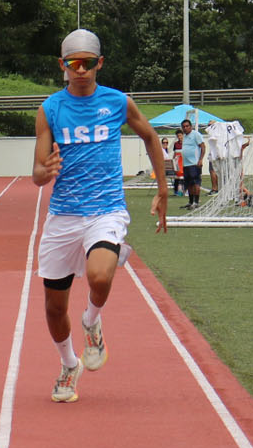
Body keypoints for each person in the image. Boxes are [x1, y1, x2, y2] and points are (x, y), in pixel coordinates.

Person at [32, 29, 167, 404]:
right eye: (73, 63)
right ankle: (69, 364)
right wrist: (45, 172)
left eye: (87, 63)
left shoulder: (119, 102)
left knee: (99, 274)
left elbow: (151, 138)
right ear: (62, 66)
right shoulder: (50, 109)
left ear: (99, 63)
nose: (80, 70)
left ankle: (92, 320)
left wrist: (162, 187)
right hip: (63, 216)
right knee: (54, 308)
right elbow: (37, 173)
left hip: (106, 210)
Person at [178, 118, 206, 210]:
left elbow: (202, 146)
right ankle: (190, 202)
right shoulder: (184, 136)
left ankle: (196, 202)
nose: (185, 128)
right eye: (184, 127)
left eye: (187, 126)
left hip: (194, 163)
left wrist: (200, 160)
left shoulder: (196, 135)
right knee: (189, 183)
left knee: (195, 182)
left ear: (191, 127)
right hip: (186, 164)